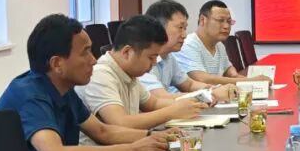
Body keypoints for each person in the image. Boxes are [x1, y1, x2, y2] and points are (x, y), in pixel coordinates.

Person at [0, 14, 173, 151]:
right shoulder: (30, 95)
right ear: (57, 64)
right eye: (85, 53)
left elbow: (103, 132)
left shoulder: (65, 91)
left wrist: (153, 137)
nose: (93, 60)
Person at [78, 15, 211, 131]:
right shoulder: (100, 75)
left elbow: (153, 103)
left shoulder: (130, 74)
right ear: (127, 52)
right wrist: (172, 111)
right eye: (151, 57)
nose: (154, 63)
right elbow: (120, 123)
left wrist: (190, 103)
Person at [140, 0, 234, 101]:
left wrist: (216, 89)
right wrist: (211, 94)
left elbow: (189, 84)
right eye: (180, 27)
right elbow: (160, 97)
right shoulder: (143, 58)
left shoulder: (169, 57)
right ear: (159, 28)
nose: (184, 35)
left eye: (185, 28)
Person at [178, 0, 272, 85]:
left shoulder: (219, 45)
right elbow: (202, 79)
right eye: (220, 20)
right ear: (203, 20)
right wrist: (251, 81)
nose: (226, 26)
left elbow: (230, 72)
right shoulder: (188, 44)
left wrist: (251, 80)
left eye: (229, 21)